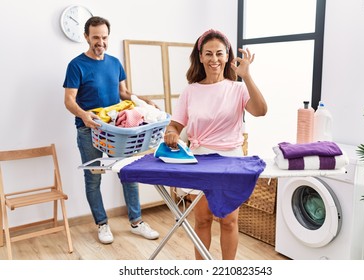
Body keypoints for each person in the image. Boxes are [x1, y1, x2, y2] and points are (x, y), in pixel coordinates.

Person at [164, 29, 267, 260]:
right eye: (208, 53)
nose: (214, 59)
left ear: (228, 56)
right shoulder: (191, 91)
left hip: (231, 161)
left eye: (219, 53)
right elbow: (175, 126)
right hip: (200, 160)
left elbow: (261, 111)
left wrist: (247, 76)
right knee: (202, 220)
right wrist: (171, 134)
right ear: (200, 56)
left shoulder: (238, 88)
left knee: (229, 221)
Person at [63, 16, 159, 244]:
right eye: (95, 37)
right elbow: (69, 100)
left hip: (118, 130)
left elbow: (123, 94)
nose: (100, 42)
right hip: (90, 130)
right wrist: (84, 115)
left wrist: (144, 101)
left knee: (128, 173)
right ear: (86, 37)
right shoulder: (76, 65)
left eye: (104, 37)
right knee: (94, 178)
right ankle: (102, 224)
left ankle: (136, 222)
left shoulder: (115, 63)